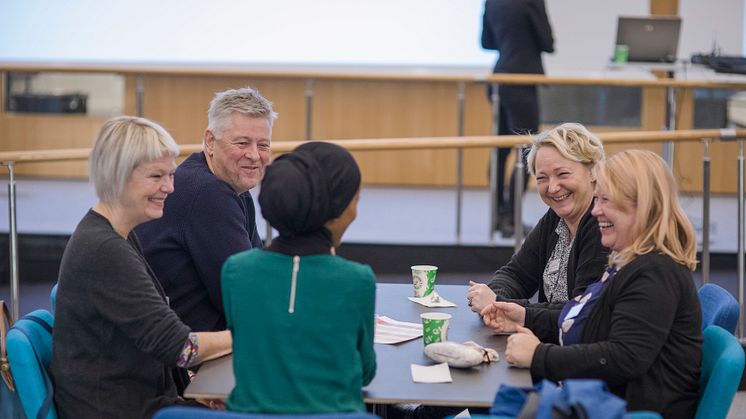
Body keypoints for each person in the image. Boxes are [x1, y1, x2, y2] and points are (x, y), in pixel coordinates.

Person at [482, 150, 702, 417]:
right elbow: (589, 315)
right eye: (597, 199)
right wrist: (524, 316)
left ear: (642, 205)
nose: (596, 210)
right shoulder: (630, 261)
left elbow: (624, 357)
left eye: (606, 200)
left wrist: (540, 355)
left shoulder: (655, 271)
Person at [51, 116, 232, 419]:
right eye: (156, 176)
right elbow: (181, 348)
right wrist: (248, 336)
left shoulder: (113, 235)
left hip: (131, 400)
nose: (170, 187)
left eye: (171, 175)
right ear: (118, 176)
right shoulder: (105, 250)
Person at [222, 141, 376, 414]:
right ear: (336, 211)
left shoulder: (236, 270)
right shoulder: (357, 280)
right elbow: (365, 372)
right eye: (356, 200)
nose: (356, 211)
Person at [136, 86, 277, 332]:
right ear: (210, 141)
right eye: (242, 143)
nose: (254, 155)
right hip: (190, 359)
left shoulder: (231, 189)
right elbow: (248, 302)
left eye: (263, 145)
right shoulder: (206, 192)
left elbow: (258, 277)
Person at [467, 123, 608, 313]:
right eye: (542, 178)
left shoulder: (603, 225)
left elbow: (580, 313)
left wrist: (505, 307)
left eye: (563, 174)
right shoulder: (555, 219)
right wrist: (495, 301)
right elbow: (516, 275)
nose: (552, 188)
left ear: (592, 171)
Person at [481, 0, 554, 237]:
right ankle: (511, 218)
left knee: (500, 151)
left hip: (498, 79)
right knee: (526, 150)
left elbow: (486, 42)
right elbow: (547, 42)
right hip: (522, 81)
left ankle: (498, 215)